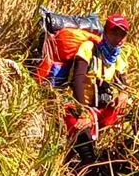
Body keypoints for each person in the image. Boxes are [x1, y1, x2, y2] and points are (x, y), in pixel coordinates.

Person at [40, 12, 131, 140]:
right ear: (105, 32)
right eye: (114, 32)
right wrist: (83, 112)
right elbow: (78, 79)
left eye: (123, 34)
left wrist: (124, 94)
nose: (119, 38)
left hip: (97, 110)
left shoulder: (118, 59)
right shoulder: (89, 48)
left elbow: (125, 85)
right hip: (75, 104)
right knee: (83, 138)